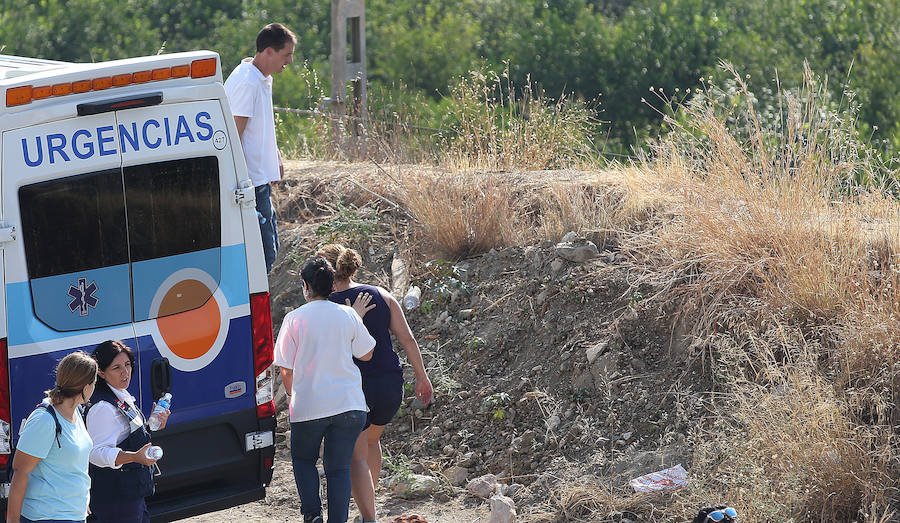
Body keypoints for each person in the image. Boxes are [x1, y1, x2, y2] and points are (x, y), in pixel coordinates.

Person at [316, 244, 434, 523]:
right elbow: (407, 339)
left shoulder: (325, 306)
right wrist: (422, 376)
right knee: (372, 439)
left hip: (356, 388)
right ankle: (369, 501)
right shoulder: (381, 294)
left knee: (355, 455)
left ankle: (368, 517)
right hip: (390, 385)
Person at [275, 257, 376, 523]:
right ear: (331, 284)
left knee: (303, 460)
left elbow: (285, 368)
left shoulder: (294, 319)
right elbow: (366, 353)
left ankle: (312, 515)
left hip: (308, 404)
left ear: (306, 286)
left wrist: (289, 396)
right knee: (339, 467)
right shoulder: (347, 314)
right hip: (349, 405)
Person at [224, 22, 296, 273]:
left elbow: (258, 127)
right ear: (268, 51)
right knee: (264, 256)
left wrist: (273, 156)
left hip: (259, 180)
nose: (290, 60)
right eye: (286, 54)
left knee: (268, 251)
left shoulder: (260, 77)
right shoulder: (248, 82)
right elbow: (234, 135)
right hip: (249, 185)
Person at [7, 351, 97, 523]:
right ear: (86, 387)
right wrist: (13, 520)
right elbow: (20, 471)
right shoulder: (45, 419)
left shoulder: (76, 412)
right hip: (47, 517)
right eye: (94, 383)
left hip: (74, 515)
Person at [84, 340, 168, 523]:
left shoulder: (119, 395)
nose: (125, 372)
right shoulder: (103, 407)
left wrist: (152, 425)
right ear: (101, 372)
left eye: (128, 365)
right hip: (115, 500)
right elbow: (95, 453)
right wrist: (134, 457)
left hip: (130, 496)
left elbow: (125, 434)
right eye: (116, 368)